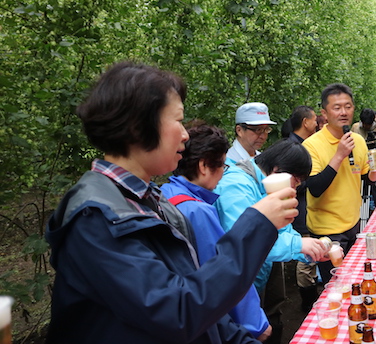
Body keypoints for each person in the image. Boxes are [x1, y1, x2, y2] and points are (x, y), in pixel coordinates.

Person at [45, 62, 298, 344]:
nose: (185, 134)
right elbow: (178, 312)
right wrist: (257, 223)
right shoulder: (95, 218)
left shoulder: (151, 200)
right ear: (137, 126)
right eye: (177, 121)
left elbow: (196, 297)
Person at [161, 121, 271, 341]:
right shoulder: (197, 211)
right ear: (203, 166)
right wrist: (256, 325)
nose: (223, 173)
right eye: (222, 165)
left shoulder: (166, 192)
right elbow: (223, 269)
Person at [214, 139, 328, 344]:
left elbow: (283, 228)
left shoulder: (269, 184)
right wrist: (298, 245)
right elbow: (246, 240)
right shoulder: (236, 185)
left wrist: (307, 249)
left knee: (271, 322)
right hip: (239, 283)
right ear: (278, 171)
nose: (295, 188)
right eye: (296, 181)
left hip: (260, 273)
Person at [302, 83, 376, 283]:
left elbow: (366, 179)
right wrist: (339, 155)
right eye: (337, 107)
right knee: (336, 284)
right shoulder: (311, 145)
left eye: (348, 106)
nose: (343, 112)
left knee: (356, 280)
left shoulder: (358, 140)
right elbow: (314, 188)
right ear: (325, 113)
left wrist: (375, 172)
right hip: (327, 230)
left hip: (354, 223)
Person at [285, 106, 320, 311]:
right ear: (305, 122)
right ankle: (307, 302)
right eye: (315, 120)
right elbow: (291, 183)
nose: (317, 124)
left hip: (306, 208)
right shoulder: (293, 148)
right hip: (299, 211)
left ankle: (310, 295)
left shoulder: (305, 144)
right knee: (305, 257)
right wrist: (314, 180)